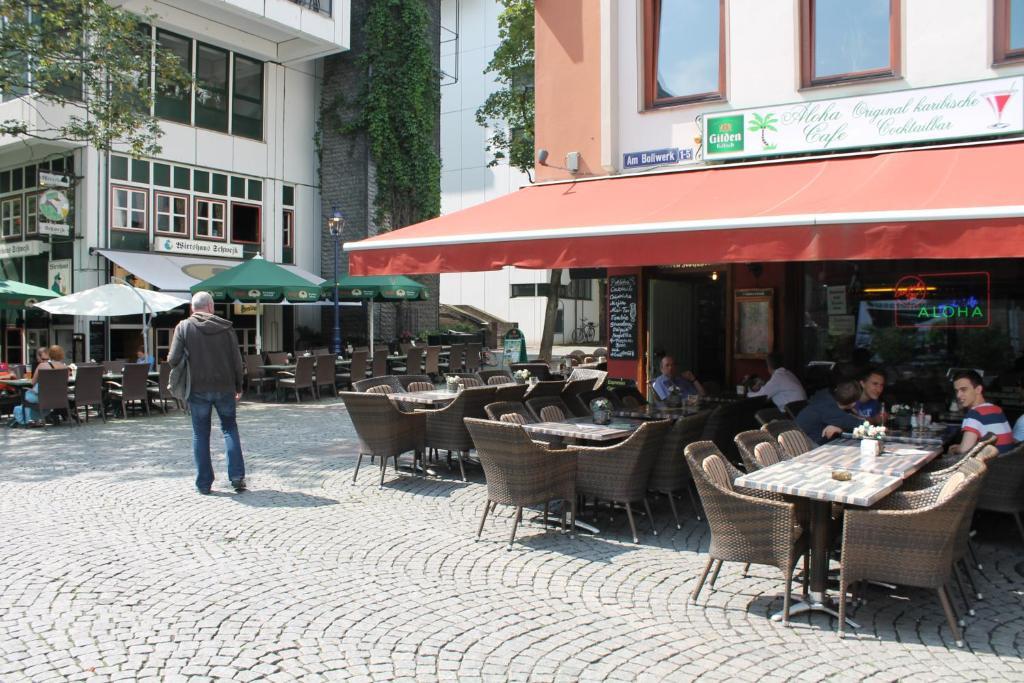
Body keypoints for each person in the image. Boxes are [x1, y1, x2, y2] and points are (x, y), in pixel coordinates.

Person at [168, 291, 246, 494]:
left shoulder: (184, 327)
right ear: (211, 307)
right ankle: (237, 477)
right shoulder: (226, 328)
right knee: (229, 428)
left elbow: (172, 359)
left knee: (200, 434)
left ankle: (204, 484)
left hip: (197, 388)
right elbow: (237, 360)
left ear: (192, 308)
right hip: (225, 386)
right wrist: (239, 386)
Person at [948, 370, 1014, 455]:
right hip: (1005, 460)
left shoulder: (974, 414)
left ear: (978, 389)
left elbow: (964, 450)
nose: (958, 395)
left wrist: (954, 449)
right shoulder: (997, 409)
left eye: (963, 390)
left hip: (992, 462)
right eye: (956, 391)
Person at [12, 345, 68, 426]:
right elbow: (64, 383)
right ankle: (36, 419)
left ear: (50, 354)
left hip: (41, 396)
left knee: (26, 396)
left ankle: (25, 417)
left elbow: (33, 382)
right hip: (56, 397)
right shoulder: (65, 368)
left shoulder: (42, 365)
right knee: (31, 400)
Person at [796, 380, 863, 445]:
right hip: (804, 445)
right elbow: (864, 430)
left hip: (796, 437)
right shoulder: (836, 413)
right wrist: (841, 429)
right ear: (853, 403)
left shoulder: (825, 397)